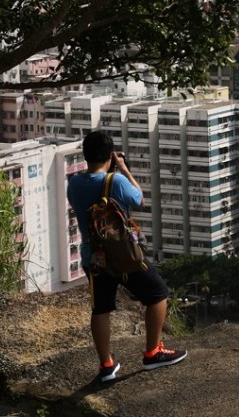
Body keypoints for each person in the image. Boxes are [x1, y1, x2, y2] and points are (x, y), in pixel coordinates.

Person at [67, 130, 187, 382]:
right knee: (158, 294)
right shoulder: (116, 181)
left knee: (100, 309)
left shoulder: (74, 183)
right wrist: (123, 169)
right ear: (110, 156)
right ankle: (152, 353)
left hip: (94, 258)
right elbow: (139, 198)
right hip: (124, 255)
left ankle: (106, 365)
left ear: (85, 155)